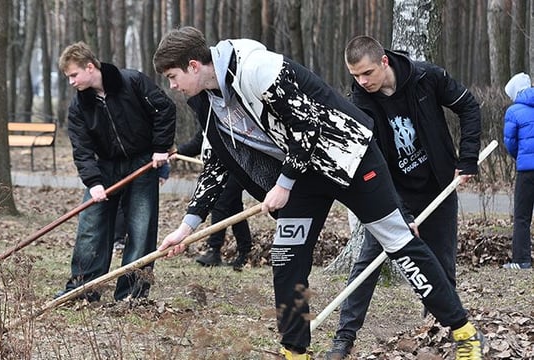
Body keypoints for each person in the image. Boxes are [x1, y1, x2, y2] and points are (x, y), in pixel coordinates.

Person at [152, 26, 484, 359]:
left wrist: (282, 186)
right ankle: (296, 352)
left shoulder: (257, 67)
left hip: (350, 158)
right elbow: (220, 160)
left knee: (399, 242)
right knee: (286, 259)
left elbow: (306, 126)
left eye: (173, 76)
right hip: (302, 175)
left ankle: (464, 332)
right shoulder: (205, 100)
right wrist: (186, 228)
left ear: (194, 65)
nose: (172, 86)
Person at [320, 35, 483, 359]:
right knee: (366, 265)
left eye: (367, 73)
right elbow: (373, 163)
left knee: (441, 265)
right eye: (355, 76)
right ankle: (344, 338)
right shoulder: (361, 104)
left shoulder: (426, 77)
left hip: (438, 187)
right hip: (390, 196)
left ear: (383, 62)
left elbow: (469, 106)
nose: (361, 81)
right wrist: (402, 212)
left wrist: (466, 160)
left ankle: (445, 331)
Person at [56, 41, 176, 302]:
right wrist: (93, 182)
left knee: (141, 229)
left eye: (74, 75)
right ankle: (83, 289)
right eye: (68, 77)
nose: (72, 82)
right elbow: (82, 147)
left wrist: (160, 148)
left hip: (142, 163)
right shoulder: (79, 107)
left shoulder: (132, 81)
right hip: (105, 167)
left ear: (90, 67)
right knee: (91, 225)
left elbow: (164, 109)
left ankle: (131, 294)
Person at [175, 129, 254, 270]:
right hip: (220, 170)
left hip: (239, 167)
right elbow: (197, 143)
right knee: (234, 208)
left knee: (220, 202)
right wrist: (177, 153)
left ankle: (214, 249)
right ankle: (245, 251)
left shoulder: (228, 120)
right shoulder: (207, 120)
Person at [502, 72, 534, 270]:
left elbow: (510, 142)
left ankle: (521, 260)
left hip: (526, 171)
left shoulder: (514, 111)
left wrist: (520, 156)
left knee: (522, 216)